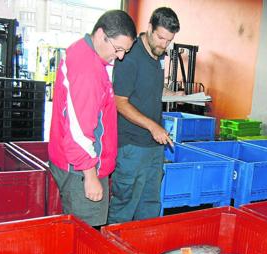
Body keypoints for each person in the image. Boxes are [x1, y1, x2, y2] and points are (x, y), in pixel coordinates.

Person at [47, 10, 136, 227]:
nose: (121, 56)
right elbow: (79, 131)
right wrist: (90, 176)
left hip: (79, 162)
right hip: (81, 167)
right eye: (118, 49)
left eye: (126, 51)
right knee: (88, 235)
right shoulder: (88, 72)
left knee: (78, 231)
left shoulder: (85, 53)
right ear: (100, 34)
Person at [107, 7, 180, 224]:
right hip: (132, 146)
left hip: (154, 148)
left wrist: (173, 93)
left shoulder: (158, 56)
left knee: (149, 205)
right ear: (149, 28)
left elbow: (149, 89)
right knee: (125, 205)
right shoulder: (129, 56)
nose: (163, 45)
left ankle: (142, 252)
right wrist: (152, 126)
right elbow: (119, 101)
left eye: (169, 40)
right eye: (160, 37)